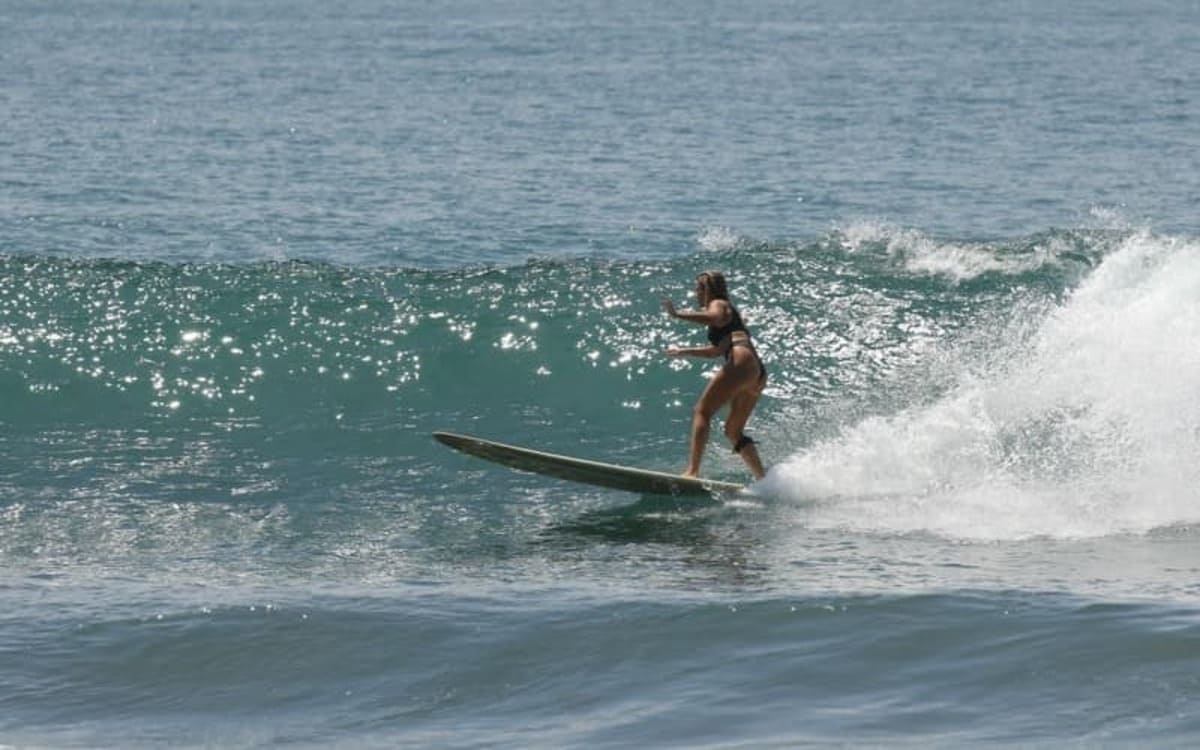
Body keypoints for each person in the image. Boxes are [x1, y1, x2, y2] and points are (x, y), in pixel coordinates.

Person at [662, 270, 767, 480]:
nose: (695, 293)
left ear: (706, 290)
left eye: (697, 289)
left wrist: (677, 314)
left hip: (741, 361)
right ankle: (763, 480)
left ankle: (692, 472)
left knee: (703, 411)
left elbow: (714, 318)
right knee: (733, 431)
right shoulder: (731, 313)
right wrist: (684, 351)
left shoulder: (718, 304)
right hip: (756, 372)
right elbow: (717, 351)